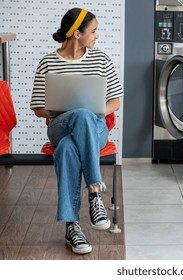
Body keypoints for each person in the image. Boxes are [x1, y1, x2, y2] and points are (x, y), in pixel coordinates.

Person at [30, 8, 124, 254]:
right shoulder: (48, 62)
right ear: (76, 34)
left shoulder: (100, 59)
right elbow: (38, 108)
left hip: (95, 127)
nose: (97, 36)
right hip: (60, 125)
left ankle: (72, 227)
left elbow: (116, 101)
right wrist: (62, 110)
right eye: (93, 31)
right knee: (80, 115)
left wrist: (93, 110)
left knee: (69, 148)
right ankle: (95, 191)